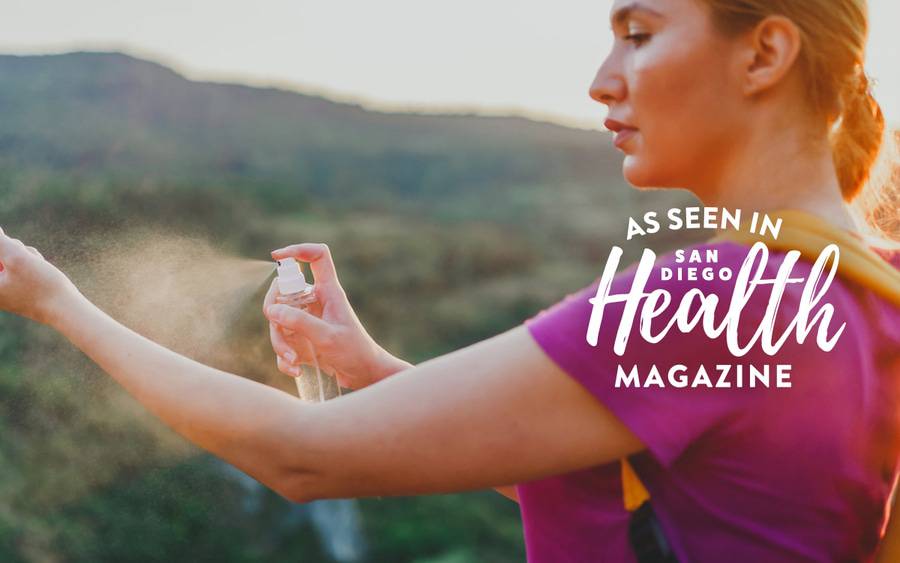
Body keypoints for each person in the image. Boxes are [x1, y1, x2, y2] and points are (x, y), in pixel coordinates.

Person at [0, 0, 898, 560]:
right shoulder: (872, 287)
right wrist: (371, 370)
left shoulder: (701, 304)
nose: (599, 81)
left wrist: (53, 298)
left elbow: (300, 455)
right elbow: (653, 494)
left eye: (639, 33)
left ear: (764, 54)